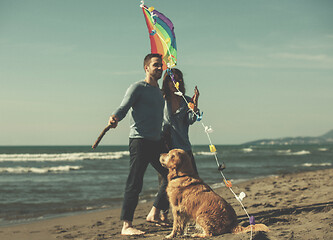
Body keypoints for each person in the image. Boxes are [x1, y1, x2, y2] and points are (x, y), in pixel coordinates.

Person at [108, 53, 169, 236]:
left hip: (157, 142)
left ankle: (155, 212)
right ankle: (127, 225)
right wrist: (115, 117)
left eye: (161, 65)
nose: (159, 68)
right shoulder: (137, 87)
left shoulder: (160, 93)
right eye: (156, 65)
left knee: (172, 175)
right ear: (146, 68)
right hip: (139, 141)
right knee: (135, 182)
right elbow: (123, 107)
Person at [146, 68, 200, 222]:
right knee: (167, 182)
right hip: (166, 148)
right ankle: (163, 213)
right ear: (166, 81)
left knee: (192, 180)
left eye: (177, 79)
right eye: (170, 79)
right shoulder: (161, 99)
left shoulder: (186, 99)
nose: (174, 82)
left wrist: (194, 104)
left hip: (184, 147)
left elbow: (191, 120)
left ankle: (191, 210)